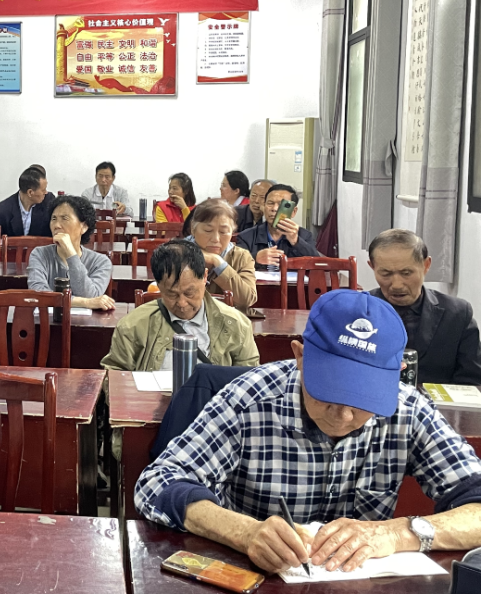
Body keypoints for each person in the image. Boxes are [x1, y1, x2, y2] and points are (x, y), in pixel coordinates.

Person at [135, 290, 481, 575]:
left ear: (397, 373)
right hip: (255, 579)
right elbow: (158, 482)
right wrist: (244, 532)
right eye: (328, 392)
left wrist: (398, 533)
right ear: (300, 357)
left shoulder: (409, 410)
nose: (343, 416)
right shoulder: (250, 400)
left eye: (363, 400)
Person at [102, 240, 259, 373]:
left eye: (189, 293)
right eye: (172, 294)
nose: (182, 303)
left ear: (205, 277)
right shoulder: (133, 325)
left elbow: (249, 380)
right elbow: (114, 374)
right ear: (158, 285)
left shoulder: (236, 325)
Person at [368, 229, 481, 385]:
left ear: (426, 265)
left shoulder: (457, 314)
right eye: (386, 274)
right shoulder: (356, 312)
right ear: (372, 267)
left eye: (406, 273)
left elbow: (472, 381)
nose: (397, 285)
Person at [27, 194, 114, 310]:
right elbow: (38, 294)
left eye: (65, 218)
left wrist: (70, 253)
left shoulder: (101, 262)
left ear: (84, 227)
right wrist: (85, 302)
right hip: (46, 320)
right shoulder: (39, 254)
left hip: (86, 321)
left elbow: (91, 295)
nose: (57, 225)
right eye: (54, 219)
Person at [188, 198, 257, 310]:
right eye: (208, 230)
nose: (216, 239)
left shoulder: (241, 256)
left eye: (223, 232)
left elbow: (247, 299)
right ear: (193, 228)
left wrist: (218, 263)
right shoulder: (176, 253)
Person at [236, 183, 319, 270]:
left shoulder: (304, 235)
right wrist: (255, 258)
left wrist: (296, 242)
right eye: (270, 203)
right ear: (264, 207)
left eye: (281, 205)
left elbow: (317, 264)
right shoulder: (246, 236)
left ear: (293, 211)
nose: (274, 208)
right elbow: (234, 264)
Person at [0, 167, 51, 237]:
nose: (46, 192)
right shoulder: (1, 213)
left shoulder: (48, 201)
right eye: (43, 190)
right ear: (30, 192)